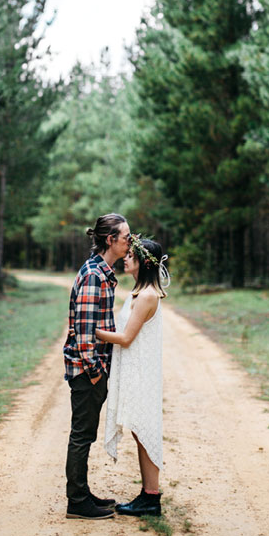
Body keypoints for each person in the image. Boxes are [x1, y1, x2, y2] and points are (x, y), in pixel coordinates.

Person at [63, 212, 131, 520]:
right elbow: (84, 330)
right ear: (110, 240)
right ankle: (77, 501)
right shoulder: (93, 276)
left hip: (93, 368)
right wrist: (94, 372)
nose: (130, 241)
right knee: (82, 434)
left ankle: (83, 493)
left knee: (85, 432)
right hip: (87, 370)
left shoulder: (102, 273)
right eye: (126, 237)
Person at [96, 234, 169, 517]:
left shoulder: (148, 296)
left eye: (131, 255)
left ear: (142, 263)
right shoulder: (140, 292)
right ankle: (148, 495)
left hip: (141, 373)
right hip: (135, 370)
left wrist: (92, 333)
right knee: (140, 431)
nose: (126, 257)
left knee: (144, 431)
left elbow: (126, 338)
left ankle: (151, 497)